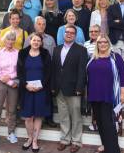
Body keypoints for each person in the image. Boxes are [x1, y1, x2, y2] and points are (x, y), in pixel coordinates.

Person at [87, 34, 124, 153]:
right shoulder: (92, 57)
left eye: (105, 42)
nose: (102, 44)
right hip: (94, 95)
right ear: (97, 44)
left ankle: (113, 150)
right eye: (100, 42)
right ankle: (105, 145)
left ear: (109, 43)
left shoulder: (115, 57)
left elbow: (123, 76)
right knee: (99, 122)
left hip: (109, 96)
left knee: (108, 124)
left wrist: (123, 93)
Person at [51, 24, 88, 152]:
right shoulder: (56, 49)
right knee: (63, 115)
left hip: (73, 88)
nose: (69, 34)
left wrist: (79, 87)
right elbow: (54, 70)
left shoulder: (81, 50)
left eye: (72, 33)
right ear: (64, 33)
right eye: (67, 32)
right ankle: (64, 139)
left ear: (75, 35)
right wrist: (53, 86)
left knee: (76, 116)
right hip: (59, 88)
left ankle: (76, 141)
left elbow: (82, 71)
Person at [17, 33, 51, 152]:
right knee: (28, 117)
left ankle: (35, 140)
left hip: (41, 90)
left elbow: (48, 72)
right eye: (34, 40)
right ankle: (29, 138)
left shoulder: (45, 54)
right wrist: (26, 85)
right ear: (30, 41)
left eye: (38, 40)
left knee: (38, 115)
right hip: (26, 90)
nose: (36, 42)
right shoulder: (22, 53)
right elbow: (19, 71)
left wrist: (41, 85)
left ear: (41, 42)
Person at [0, 31, 19, 143]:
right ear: (4, 40)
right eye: (8, 39)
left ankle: (11, 133)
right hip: (1, 83)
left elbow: (18, 70)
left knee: (12, 110)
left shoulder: (17, 53)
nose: (10, 41)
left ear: (14, 41)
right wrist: (9, 81)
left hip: (13, 83)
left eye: (12, 39)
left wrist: (11, 77)